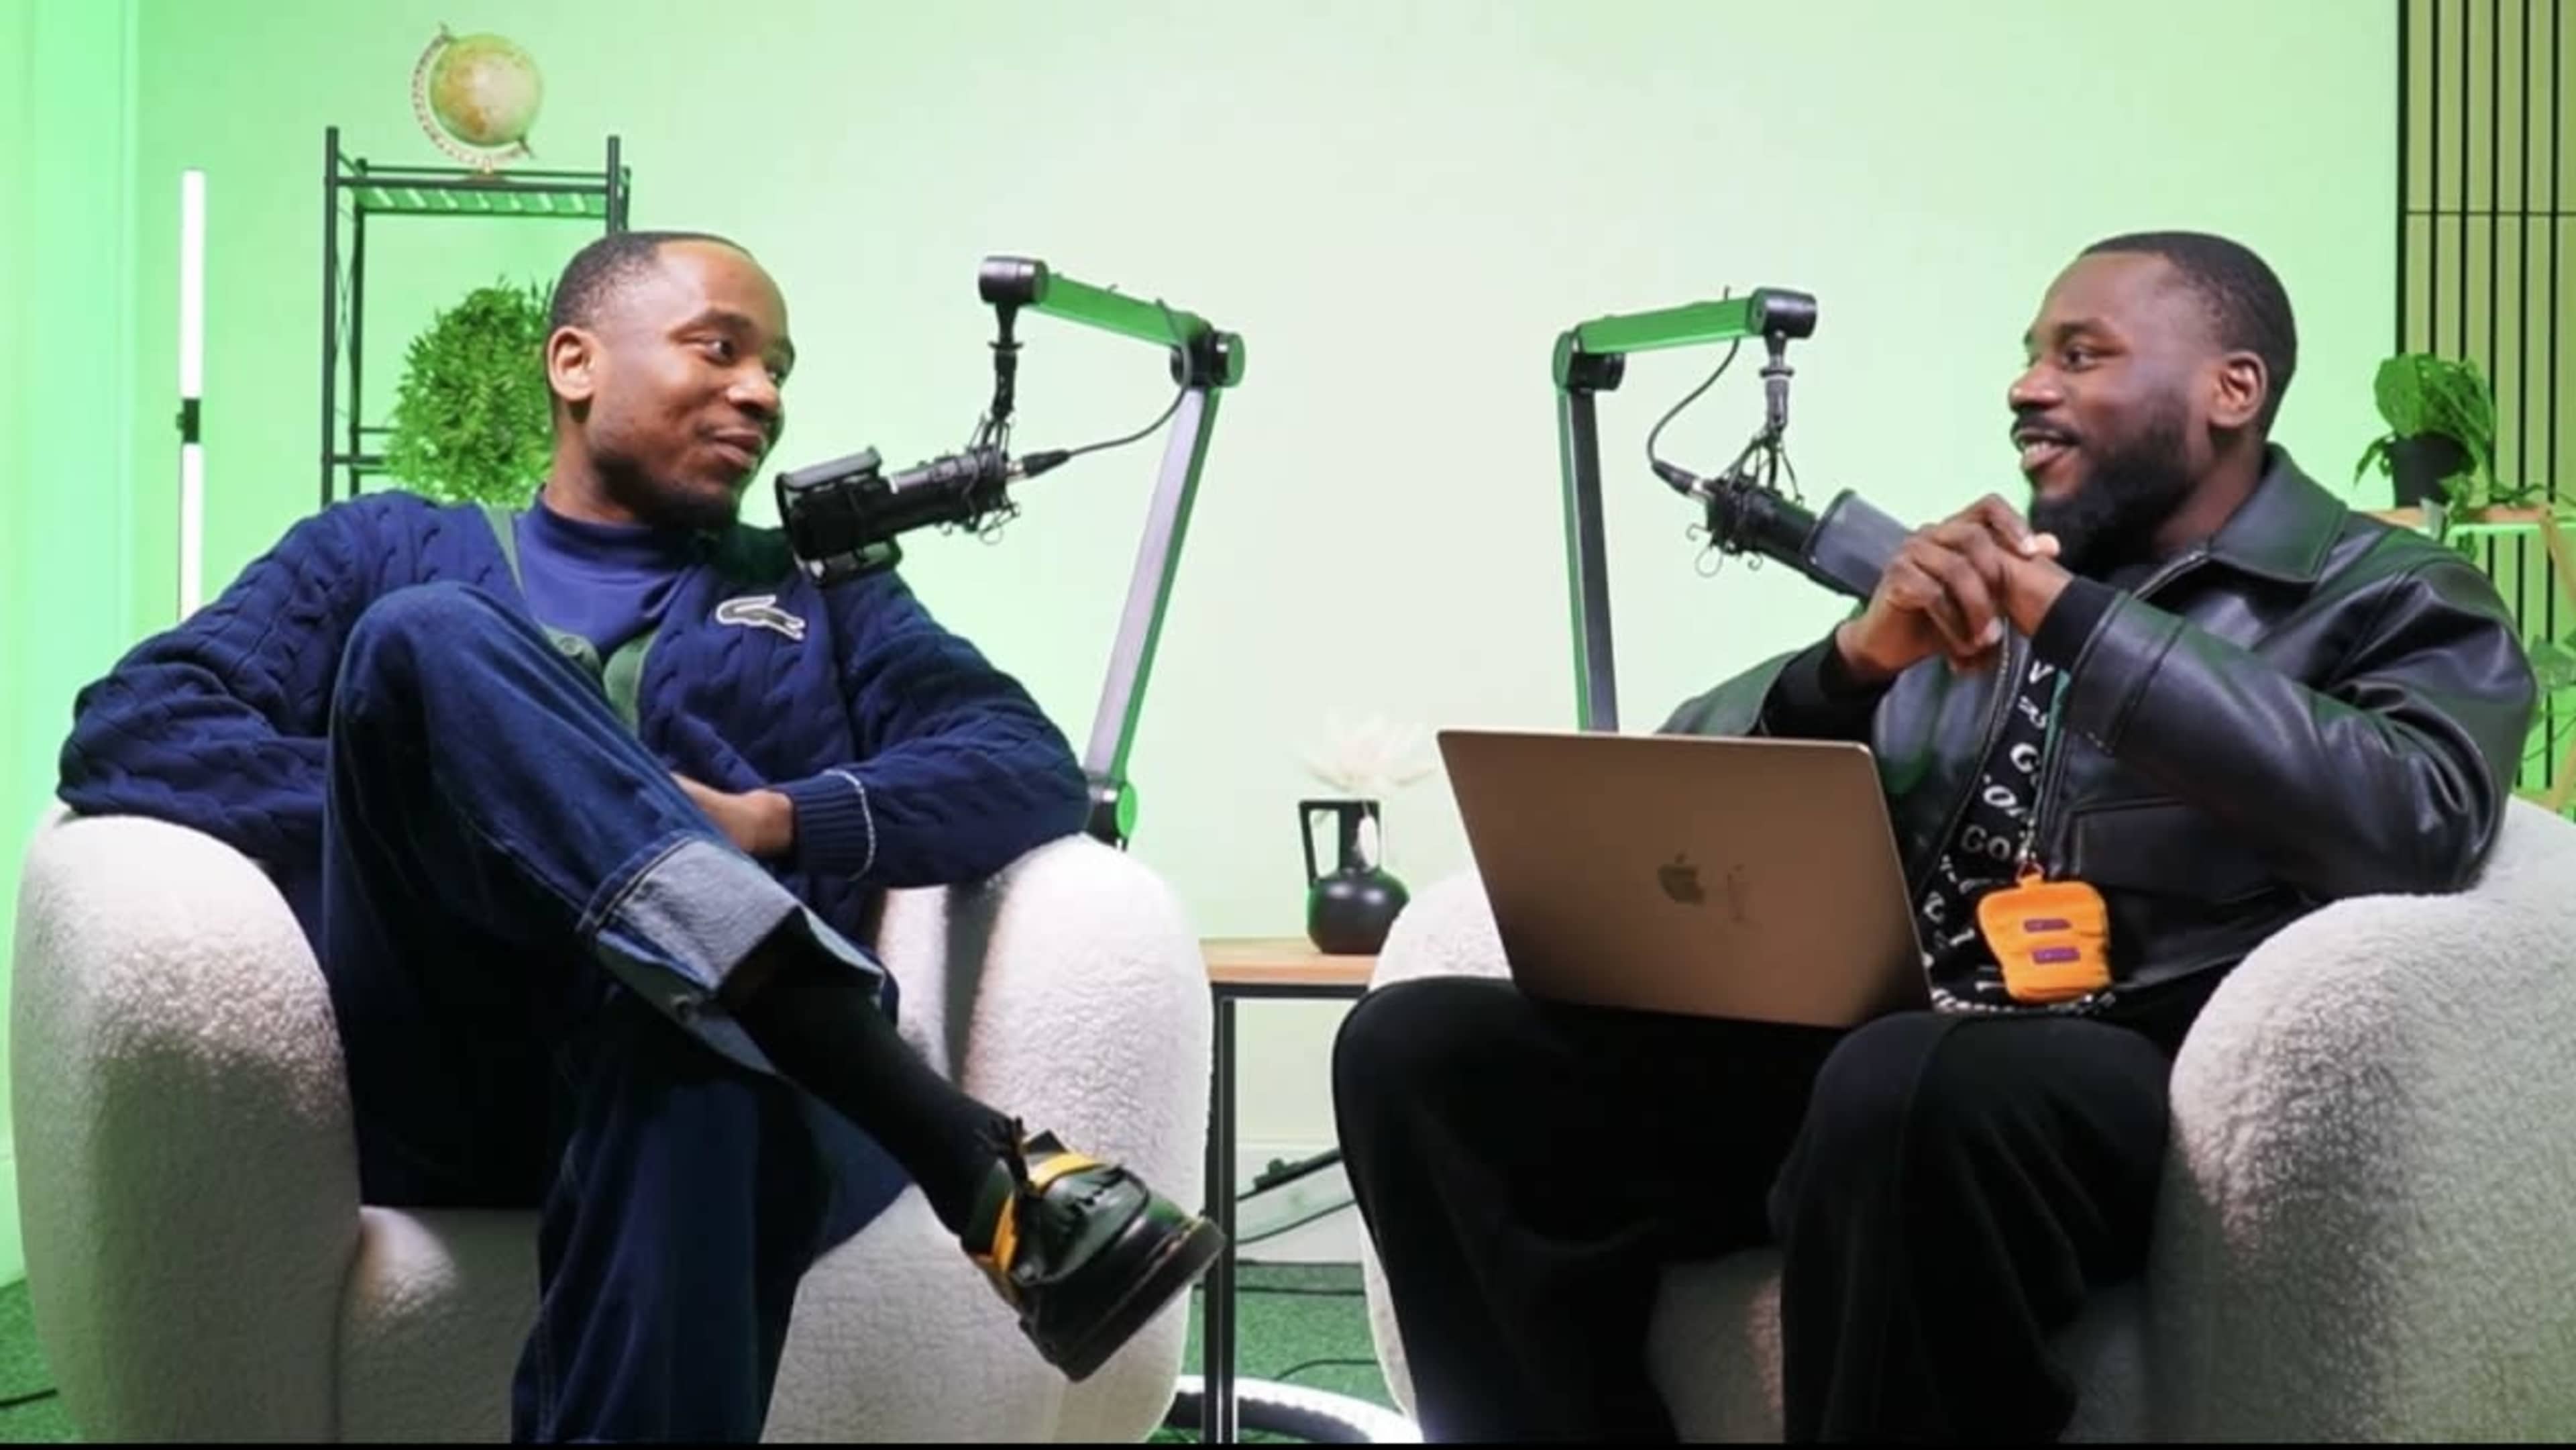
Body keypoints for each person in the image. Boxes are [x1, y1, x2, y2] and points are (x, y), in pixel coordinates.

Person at [1333, 231, 2538, 1443]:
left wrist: (2076, 622)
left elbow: (2415, 818)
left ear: (2234, 388)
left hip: (2137, 1078)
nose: (2028, 385)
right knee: (1424, 1047)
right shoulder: (1969, 587)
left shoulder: (2391, 594)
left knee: (1909, 1080)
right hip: (1875, 1065)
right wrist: (1849, 665)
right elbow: (1680, 776)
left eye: (2082, 353)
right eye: (2028, 356)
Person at [56, 229, 1222, 1443]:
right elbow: (136, 728)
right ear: (575, 362)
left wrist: (765, 818)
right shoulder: (387, 549)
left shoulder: (826, 591)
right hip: (466, 1072)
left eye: (777, 368)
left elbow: (1018, 764)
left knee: (694, 1053)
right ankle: (961, 1149)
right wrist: (456, 791)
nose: (762, 392)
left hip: (752, 1082)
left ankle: (763, 1000)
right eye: (720, 349)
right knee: (422, 640)